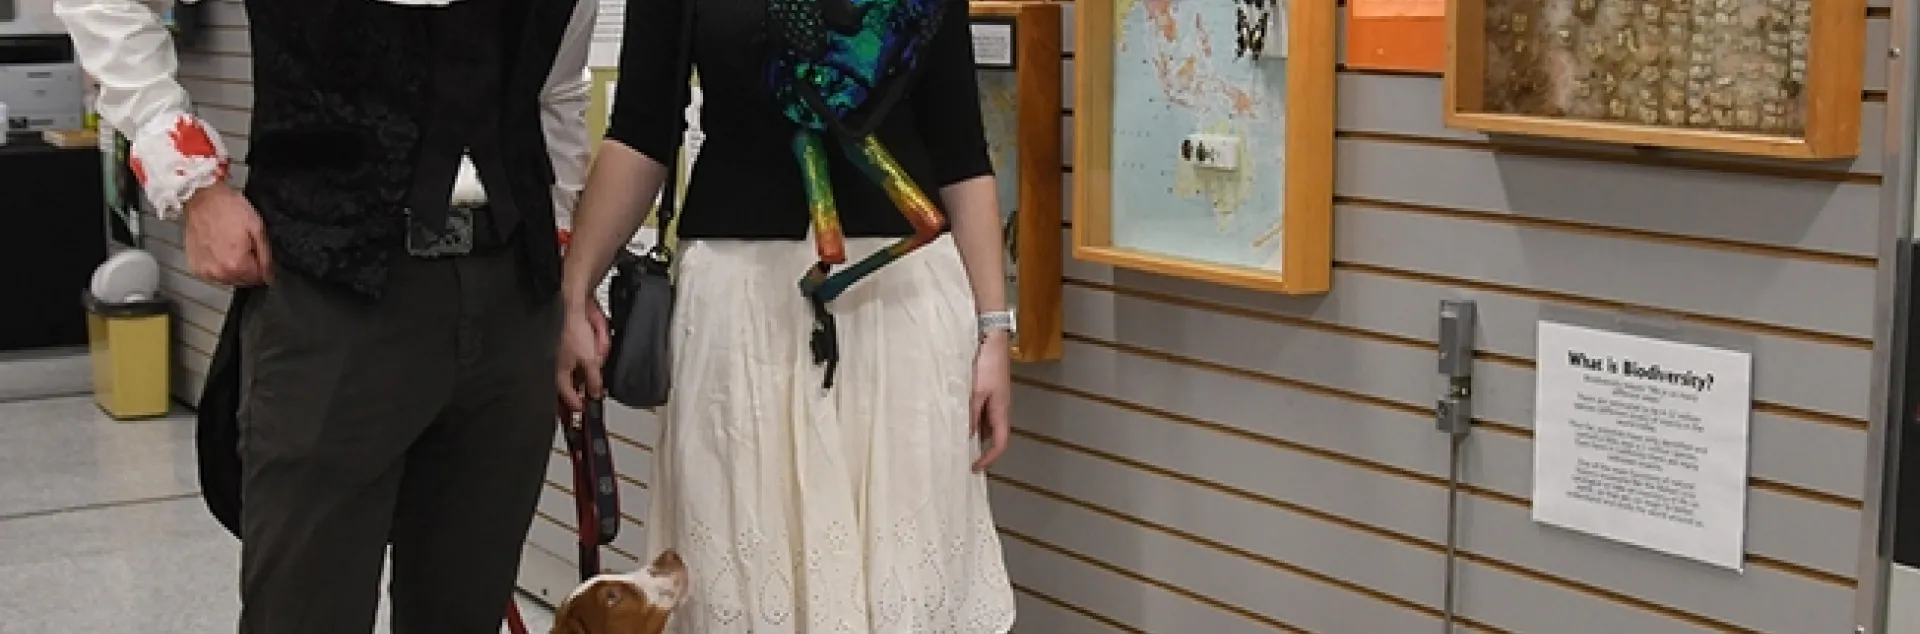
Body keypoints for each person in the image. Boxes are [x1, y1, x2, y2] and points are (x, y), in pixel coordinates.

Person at [54, 0, 596, 631]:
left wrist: (560, 274)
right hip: (331, 283)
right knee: (306, 609)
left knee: (465, 606)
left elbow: (558, 89)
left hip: (512, 295)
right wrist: (194, 182)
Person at [554, 0, 1017, 629]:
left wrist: (994, 329)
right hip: (739, 314)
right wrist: (575, 289)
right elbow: (640, 130)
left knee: (899, 580)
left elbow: (961, 150)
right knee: (743, 573)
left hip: (902, 307)